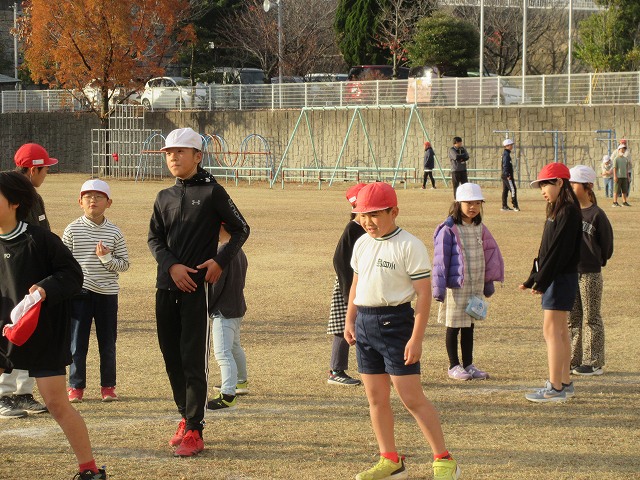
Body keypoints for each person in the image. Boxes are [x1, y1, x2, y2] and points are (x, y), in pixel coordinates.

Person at [344, 182, 460, 480]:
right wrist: (350, 320)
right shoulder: (361, 243)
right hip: (365, 324)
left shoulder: (410, 245)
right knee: (375, 398)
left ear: (393, 212)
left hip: (396, 325)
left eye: (374, 214)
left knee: (411, 398)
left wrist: (416, 339)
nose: (367, 221)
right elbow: (356, 285)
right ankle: (390, 460)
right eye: (362, 215)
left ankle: (444, 459)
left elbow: (423, 295)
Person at [148, 127, 249, 457]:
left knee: (193, 358)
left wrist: (220, 261)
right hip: (166, 286)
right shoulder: (163, 196)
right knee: (171, 357)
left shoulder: (212, 192)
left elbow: (241, 229)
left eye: (180, 151)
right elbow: (154, 239)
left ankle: (195, 428)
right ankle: (184, 415)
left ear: (197, 156)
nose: (173, 157)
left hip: (196, 290)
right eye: (168, 152)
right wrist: (171, 267)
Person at [0, 171, 107, 479]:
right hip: (5, 336)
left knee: (57, 404)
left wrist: (46, 288)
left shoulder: (41, 240)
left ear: (15, 203)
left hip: (44, 336)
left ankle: (90, 470)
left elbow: (72, 276)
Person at [0, 143, 56, 419]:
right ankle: (3, 395)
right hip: (10, 274)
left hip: (33, 276)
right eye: (45, 169)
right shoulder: (8, 194)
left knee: (28, 332)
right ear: (33, 170)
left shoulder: (35, 197)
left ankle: (23, 392)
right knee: (8, 331)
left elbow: (43, 233)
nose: (46, 174)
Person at [63, 179, 130, 403]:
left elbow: (124, 264)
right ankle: (76, 387)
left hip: (107, 294)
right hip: (79, 295)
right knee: (77, 344)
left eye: (99, 197)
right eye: (88, 197)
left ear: (108, 203)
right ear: (80, 202)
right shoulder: (72, 230)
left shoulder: (114, 232)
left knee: (107, 343)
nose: (93, 200)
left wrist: (107, 258)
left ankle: (108, 386)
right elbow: (63, 263)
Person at [520, 162, 582, 403]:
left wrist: (543, 281)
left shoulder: (567, 211)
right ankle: (564, 383)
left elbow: (558, 252)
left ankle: (555, 387)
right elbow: (545, 250)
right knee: (560, 331)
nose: (542, 191)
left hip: (560, 278)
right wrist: (533, 278)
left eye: (545, 185)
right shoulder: (559, 210)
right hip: (558, 277)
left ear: (559, 182)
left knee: (552, 331)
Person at [432, 183, 504, 381]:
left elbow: (490, 255)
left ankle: (469, 364)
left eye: (477, 203)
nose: (473, 207)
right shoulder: (449, 229)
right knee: (453, 325)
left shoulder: (480, 228)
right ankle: (453, 365)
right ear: (458, 204)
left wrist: (488, 282)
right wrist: (438, 289)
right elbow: (440, 261)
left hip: (475, 286)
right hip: (456, 287)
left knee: (469, 325)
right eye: (468, 203)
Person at [568, 166, 614, 376]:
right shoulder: (569, 212)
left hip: (590, 273)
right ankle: (573, 359)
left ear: (587, 186)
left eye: (574, 183)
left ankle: (593, 361)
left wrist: (595, 260)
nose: (570, 187)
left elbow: (607, 246)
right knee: (573, 319)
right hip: (570, 272)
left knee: (591, 318)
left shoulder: (597, 214)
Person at [326, 184, 366, 386]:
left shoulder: (368, 229)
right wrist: (347, 289)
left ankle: (375, 369)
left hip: (365, 284)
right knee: (344, 326)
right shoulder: (353, 229)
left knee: (366, 327)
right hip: (348, 286)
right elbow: (339, 260)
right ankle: (336, 370)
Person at [206, 223, 249, 411]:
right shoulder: (239, 250)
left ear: (222, 226)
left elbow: (215, 285)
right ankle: (240, 381)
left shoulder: (222, 252)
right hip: (236, 307)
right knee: (234, 347)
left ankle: (228, 395)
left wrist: (206, 306)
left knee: (223, 353)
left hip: (224, 311)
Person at [500, 139, 520, 211]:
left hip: (504, 175)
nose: (512, 146)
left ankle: (504, 206)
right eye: (511, 145)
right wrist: (508, 175)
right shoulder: (506, 155)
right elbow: (505, 165)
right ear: (507, 146)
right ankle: (515, 206)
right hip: (507, 175)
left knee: (505, 190)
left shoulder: (506, 154)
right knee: (513, 189)